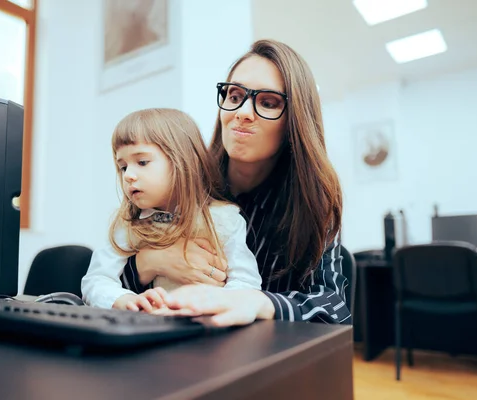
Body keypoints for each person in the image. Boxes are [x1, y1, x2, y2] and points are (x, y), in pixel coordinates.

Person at [120, 39, 350, 326]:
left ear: (295, 121)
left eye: (268, 102)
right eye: (234, 95)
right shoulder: (180, 182)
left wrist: (257, 301)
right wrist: (151, 263)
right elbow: (109, 279)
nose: (242, 112)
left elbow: (336, 307)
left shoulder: (313, 200)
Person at [81, 108, 262, 311]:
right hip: (149, 330)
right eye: (123, 166)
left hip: (207, 331)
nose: (128, 175)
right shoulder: (127, 225)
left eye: (142, 162)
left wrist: (214, 305)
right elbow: (96, 280)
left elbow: (247, 284)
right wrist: (123, 299)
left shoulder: (225, 219)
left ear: (182, 161)